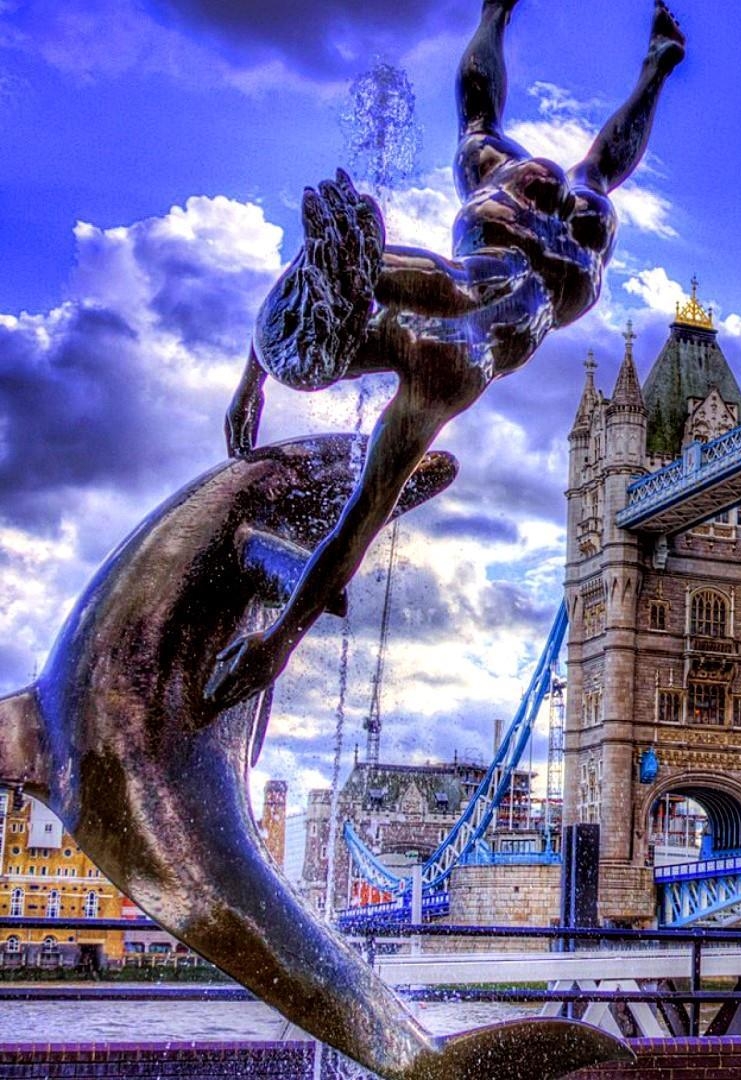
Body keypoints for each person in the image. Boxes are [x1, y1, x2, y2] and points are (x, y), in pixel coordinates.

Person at [207, 0, 685, 706]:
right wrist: (253, 377)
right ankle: (603, 49)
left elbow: (354, 531)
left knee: (508, 187)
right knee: (524, 164)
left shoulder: (434, 384)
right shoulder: (407, 328)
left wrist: (279, 644)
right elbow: (355, 524)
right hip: (533, 261)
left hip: (500, 282)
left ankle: (579, 42)